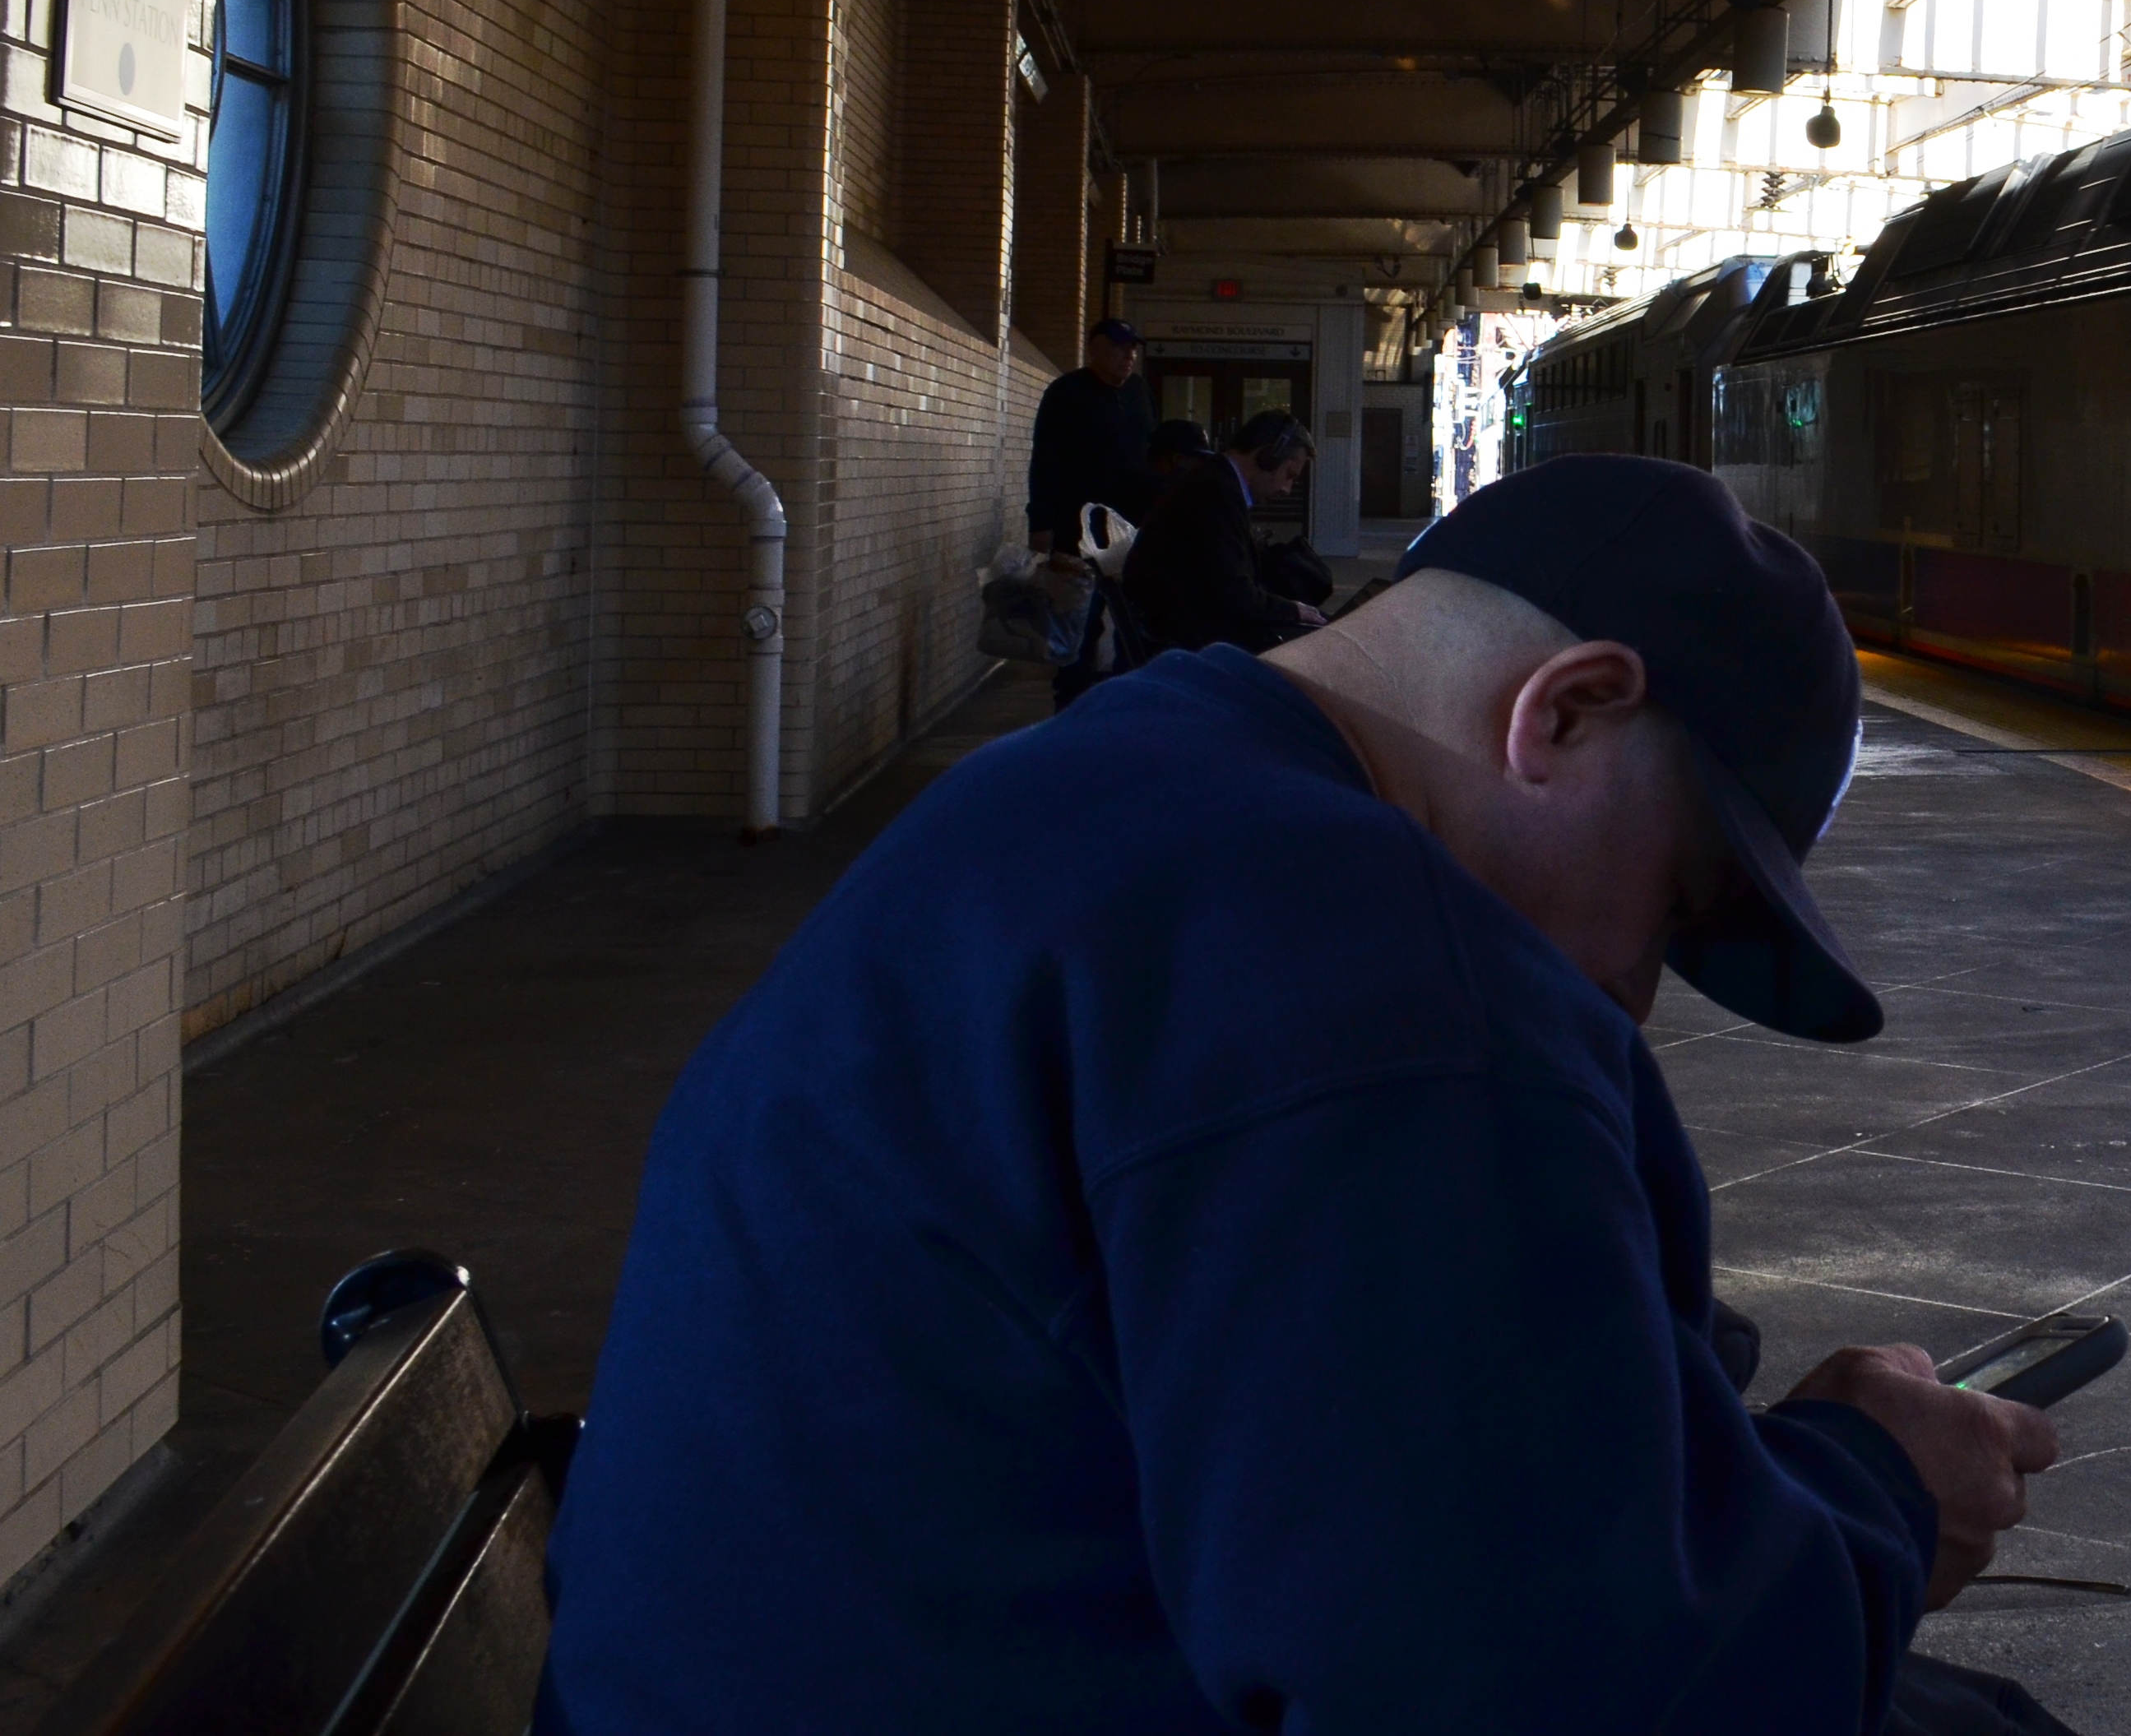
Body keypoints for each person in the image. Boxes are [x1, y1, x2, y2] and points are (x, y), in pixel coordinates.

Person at [540, 456, 2054, 1734]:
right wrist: (1878, 1491)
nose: (1634, 990)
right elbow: (1560, 1696)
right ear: (1564, 713)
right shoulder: (1371, 969)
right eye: (1673, 900)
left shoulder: (1116, 785)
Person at [1026, 318, 1155, 706]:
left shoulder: (1138, 392)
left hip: (1128, 528)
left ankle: (1121, 701)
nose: (1128, 355)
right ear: (1094, 349)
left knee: (1132, 620)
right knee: (1078, 620)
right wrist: (1041, 522)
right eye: (1119, 347)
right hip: (1076, 529)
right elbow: (1045, 461)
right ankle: (1071, 703)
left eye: (1132, 348)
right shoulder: (1066, 393)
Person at [1129, 408, 1327, 654]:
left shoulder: (1215, 481)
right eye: (1289, 475)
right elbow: (1234, 594)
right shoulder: (1216, 494)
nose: (1287, 489)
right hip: (1192, 639)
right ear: (1267, 456)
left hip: (1183, 627)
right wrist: (1293, 610)